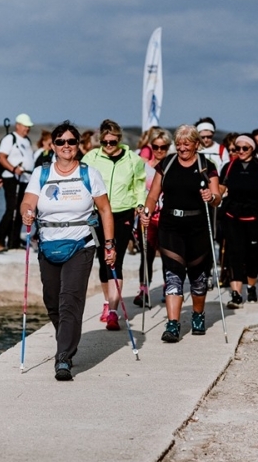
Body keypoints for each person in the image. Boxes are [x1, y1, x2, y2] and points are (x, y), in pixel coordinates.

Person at [20, 121, 115, 381]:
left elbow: (105, 210)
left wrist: (109, 244)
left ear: (78, 146)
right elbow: (28, 201)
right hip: (48, 244)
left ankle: (63, 357)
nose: (66, 146)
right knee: (52, 301)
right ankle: (67, 336)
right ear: (52, 146)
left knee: (70, 299)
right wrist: (27, 213)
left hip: (81, 244)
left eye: (71, 142)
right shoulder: (41, 173)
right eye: (60, 142)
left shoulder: (89, 173)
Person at [140, 124, 221, 342]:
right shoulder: (166, 164)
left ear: (196, 144)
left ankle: (197, 315)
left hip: (198, 227)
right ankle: (173, 324)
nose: (182, 147)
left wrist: (210, 197)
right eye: (179, 143)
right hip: (171, 226)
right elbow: (153, 195)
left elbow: (217, 198)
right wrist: (146, 212)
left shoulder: (207, 166)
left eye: (187, 143)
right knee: (173, 274)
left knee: (198, 277)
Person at [82, 119, 146, 330]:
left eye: (113, 142)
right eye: (105, 142)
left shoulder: (132, 159)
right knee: (103, 260)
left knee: (115, 259)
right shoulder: (91, 157)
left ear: (119, 139)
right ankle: (107, 301)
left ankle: (113, 311)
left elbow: (139, 183)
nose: (109, 146)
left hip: (123, 212)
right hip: (98, 213)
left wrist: (140, 203)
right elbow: (82, 182)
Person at [217, 134, 258, 306]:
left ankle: (251, 287)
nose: (240, 151)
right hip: (232, 215)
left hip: (254, 216)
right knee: (234, 254)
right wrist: (214, 196)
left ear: (253, 149)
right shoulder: (229, 167)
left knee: (253, 254)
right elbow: (221, 187)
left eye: (245, 148)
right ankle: (236, 294)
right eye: (237, 148)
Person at [133, 128, 171, 307]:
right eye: (156, 147)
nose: (159, 151)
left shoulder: (171, 166)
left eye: (164, 147)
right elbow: (138, 190)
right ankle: (144, 289)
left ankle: (167, 286)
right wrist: (140, 207)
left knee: (166, 253)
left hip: (167, 217)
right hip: (148, 216)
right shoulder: (144, 166)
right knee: (146, 254)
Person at [0, 113, 35, 250]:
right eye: (25, 126)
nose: (27, 129)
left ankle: (14, 241)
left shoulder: (27, 140)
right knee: (11, 209)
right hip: (12, 178)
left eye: (29, 127)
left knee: (20, 210)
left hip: (25, 179)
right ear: (18, 125)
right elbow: (1, 157)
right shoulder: (10, 138)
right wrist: (13, 169)